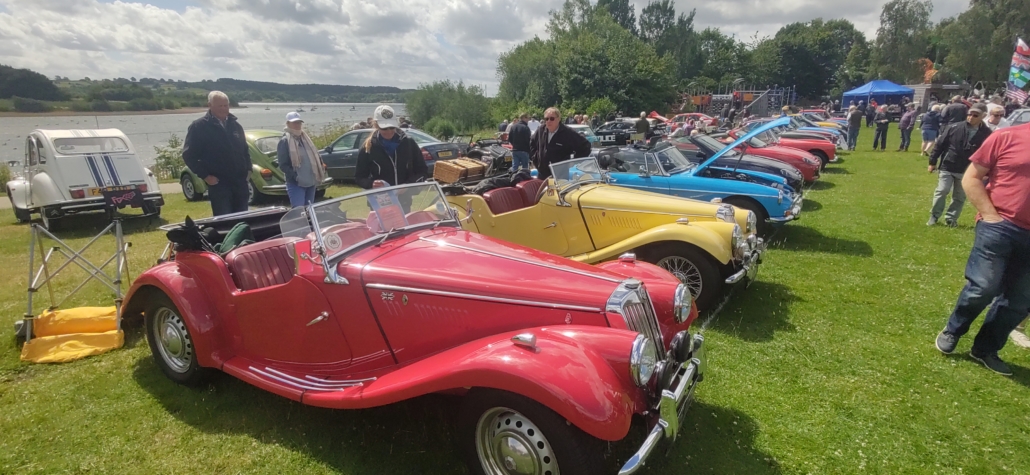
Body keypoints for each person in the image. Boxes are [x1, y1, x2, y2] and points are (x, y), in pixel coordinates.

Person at [934, 121, 1030, 375]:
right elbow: (972, 177)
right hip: (1000, 224)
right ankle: (953, 329)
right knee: (984, 286)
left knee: (1019, 302)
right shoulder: (1006, 137)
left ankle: (986, 349)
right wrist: (989, 215)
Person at [182, 91, 251, 216]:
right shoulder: (199, 127)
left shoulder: (235, 126)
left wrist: (248, 170)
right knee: (224, 220)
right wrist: (206, 176)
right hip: (219, 183)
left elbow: (245, 151)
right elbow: (189, 155)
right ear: (210, 105)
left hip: (240, 183)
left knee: (243, 220)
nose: (224, 109)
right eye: (220, 106)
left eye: (226, 105)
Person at [928, 103, 992, 227]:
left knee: (959, 196)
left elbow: (988, 154)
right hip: (948, 165)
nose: (971, 117)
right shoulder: (954, 127)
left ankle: (951, 219)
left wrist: (986, 172)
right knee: (942, 190)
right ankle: (934, 216)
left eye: (975, 115)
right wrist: (932, 162)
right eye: (969, 114)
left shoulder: (987, 133)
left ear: (983, 116)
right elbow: (940, 145)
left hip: (968, 169)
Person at [354, 105, 428, 196]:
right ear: (376, 125)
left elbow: (422, 171)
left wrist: (408, 185)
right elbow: (359, 177)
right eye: (384, 128)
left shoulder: (408, 143)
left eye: (392, 127)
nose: (389, 131)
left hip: (404, 199)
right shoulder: (368, 147)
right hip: (379, 200)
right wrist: (371, 184)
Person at [276, 112, 327, 208]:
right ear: (288, 124)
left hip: (311, 181)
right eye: (294, 123)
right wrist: (296, 177)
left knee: (310, 210)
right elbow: (283, 165)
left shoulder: (305, 139)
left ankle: (309, 223)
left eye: (299, 122)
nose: (297, 125)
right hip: (296, 183)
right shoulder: (284, 141)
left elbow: (315, 155)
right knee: (299, 211)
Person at [529, 107, 592, 181]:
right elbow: (531, 143)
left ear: (558, 119)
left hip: (560, 175)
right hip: (542, 174)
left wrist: (573, 161)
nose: (549, 121)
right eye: (546, 119)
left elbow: (586, 146)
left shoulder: (567, 132)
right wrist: (535, 158)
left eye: (552, 119)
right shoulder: (541, 130)